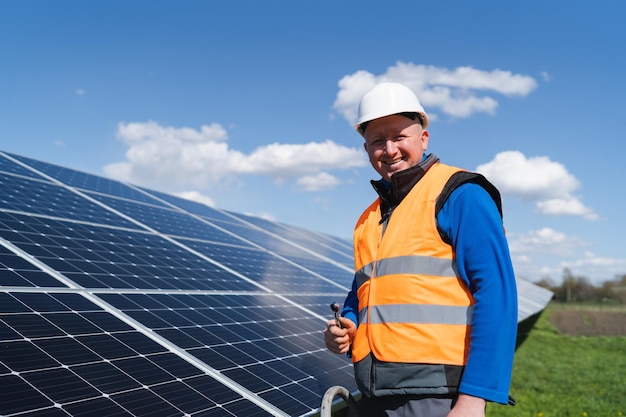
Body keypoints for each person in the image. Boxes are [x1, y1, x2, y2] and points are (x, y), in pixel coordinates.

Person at [324, 82, 518, 417]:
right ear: (366, 149)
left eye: (399, 136)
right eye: (376, 141)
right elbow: (363, 293)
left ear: (423, 138)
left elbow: (497, 295)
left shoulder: (460, 194)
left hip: (437, 396)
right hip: (376, 393)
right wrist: (349, 324)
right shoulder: (367, 219)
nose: (389, 149)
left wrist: (474, 399)